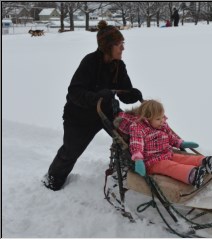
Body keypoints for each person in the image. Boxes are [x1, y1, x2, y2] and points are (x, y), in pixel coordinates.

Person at [42, 20, 143, 191]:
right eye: (119, 44)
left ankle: (133, 174)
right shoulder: (89, 62)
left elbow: (124, 92)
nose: (123, 48)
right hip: (80, 118)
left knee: (130, 137)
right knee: (70, 152)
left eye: (123, 44)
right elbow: (74, 92)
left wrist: (133, 94)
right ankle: (52, 182)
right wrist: (96, 97)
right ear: (108, 46)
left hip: (108, 112)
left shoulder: (119, 65)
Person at [116, 100, 212, 188]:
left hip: (166, 154)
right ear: (147, 118)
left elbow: (170, 136)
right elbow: (136, 144)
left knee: (181, 158)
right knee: (170, 166)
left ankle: (204, 162)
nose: (162, 121)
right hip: (152, 161)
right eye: (158, 119)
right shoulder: (138, 128)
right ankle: (192, 175)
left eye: (162, 117)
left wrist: (180, 143)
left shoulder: (162, 125)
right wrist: (138, 160)